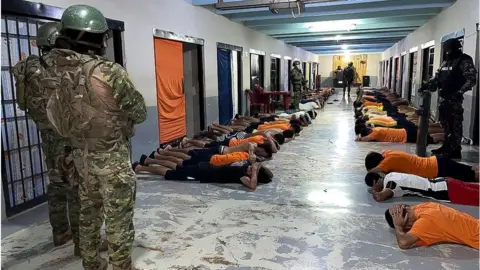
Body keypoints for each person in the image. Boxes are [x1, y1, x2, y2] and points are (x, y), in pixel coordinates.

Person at [45, 5, 147, 270]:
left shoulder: (59, 72)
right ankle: (121, 266)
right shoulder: (109, 71)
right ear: (94, 37)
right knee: (118, 219)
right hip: (111, 157)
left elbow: (57, 120)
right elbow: (138, 111)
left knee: (88, 213)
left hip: (81, 156)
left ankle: (91, 263)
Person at [12, 22, 81, 252]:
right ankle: (83, 241)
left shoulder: (29, 66)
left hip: (46, 135)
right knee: (75, 186)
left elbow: (23, 103)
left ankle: (60, 232)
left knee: (56, 184)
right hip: (67, 134)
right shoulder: (64, 64)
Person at [433, 38, 477, 159]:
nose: (448, 52)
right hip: (443, 97)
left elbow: (471, 80)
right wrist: (430, 84)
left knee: (455, 124)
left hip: (455, 99)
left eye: (449, 49)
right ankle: (446, 145)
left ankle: (455, 149)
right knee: (445, 123)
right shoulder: (446, 61)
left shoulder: (464, 61)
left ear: (455, 48)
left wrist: (460, 92)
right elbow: (438, 76)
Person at [384, 203, 479, 249]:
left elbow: (403, 243)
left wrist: (398, 226)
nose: (404, 207)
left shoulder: (425, 222)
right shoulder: (423, 207)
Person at [133, 160, 273, 191]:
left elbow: (252, 186)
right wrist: (255, 167)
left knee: (173, 170)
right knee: (174, 170)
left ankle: (145, 164)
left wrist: (254, 171)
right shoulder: (243, 168)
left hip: (203, 172)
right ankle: (143, 165)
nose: (252, 167)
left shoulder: (243, 176)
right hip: (205, 169)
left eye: (255, 169)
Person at [365, 172, 479, 206]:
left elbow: (380, 197)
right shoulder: (391, 174)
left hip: (445, 191)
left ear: (375, 183)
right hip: (445, 181)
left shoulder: (390, 183)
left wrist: (374, 192)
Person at [365, 150, 479, 183]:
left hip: (437, 169)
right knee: (469, 169)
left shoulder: (387, 161)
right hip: (437, 161)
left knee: (473, 176)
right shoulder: (387, 153)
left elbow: (371, 173)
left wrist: (372, 173)